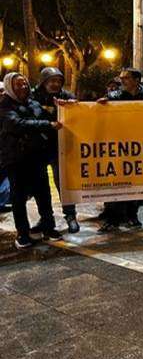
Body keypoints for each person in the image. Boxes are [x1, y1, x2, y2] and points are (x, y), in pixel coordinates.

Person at [0, 72, 63, 248]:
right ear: (9, 86)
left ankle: (48, 227)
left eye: (25, 84)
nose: (23, 87)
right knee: (19, 198)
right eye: (18, 84)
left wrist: (61, 108)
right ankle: (23, 234)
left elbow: (49, 118)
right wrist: (47, 125)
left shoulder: (33, 103)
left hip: (36, 158)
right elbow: (17, 125)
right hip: (16, 160)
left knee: (44, 194)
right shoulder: (4, 106)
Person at [96, 68, 143, 232]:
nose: (122, 81)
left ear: (136, 80)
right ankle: (112, 219)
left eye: (126, 78)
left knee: (134, 183)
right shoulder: (114, 96)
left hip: (138, 147)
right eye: (121, 78)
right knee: (115, 183)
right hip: (118, 146)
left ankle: (132, 216)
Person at [31, 67, 80, 233]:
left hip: (60, 147)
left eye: (59, 81)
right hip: (38, 148)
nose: (55, 84)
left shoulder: (67, 96)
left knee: (64, 183)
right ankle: (46, 218)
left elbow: (78, 114)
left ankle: (70, 216)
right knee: (40, 186)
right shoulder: (32, 96)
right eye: (52, 81)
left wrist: (74, 106)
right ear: (43, 81)